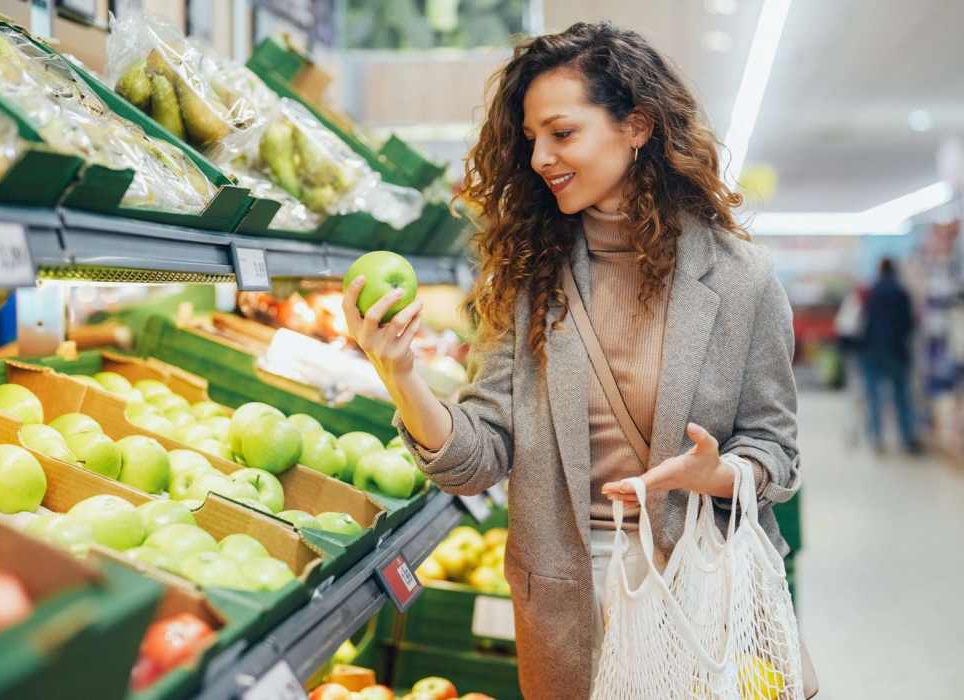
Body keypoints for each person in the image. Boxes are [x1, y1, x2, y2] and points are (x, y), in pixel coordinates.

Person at [342, 22, 801, 700]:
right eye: (530, 140)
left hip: (698, 586)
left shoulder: (741, 281)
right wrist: (401, 374)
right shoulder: (527, 279)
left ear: (637, 125)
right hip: (567, 591)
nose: (539, 159)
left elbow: (777, 452)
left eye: (561, 133)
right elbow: (478, 459)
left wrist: (723, 472)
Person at [859, 257, 920, 454]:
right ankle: (907, 438)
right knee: (901, 395)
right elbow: (909, 323)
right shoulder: (902, 292)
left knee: (875, 396)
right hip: (896, 350)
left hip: (872, 350)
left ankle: (878, 439)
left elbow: (864, 321)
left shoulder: (872, 292)